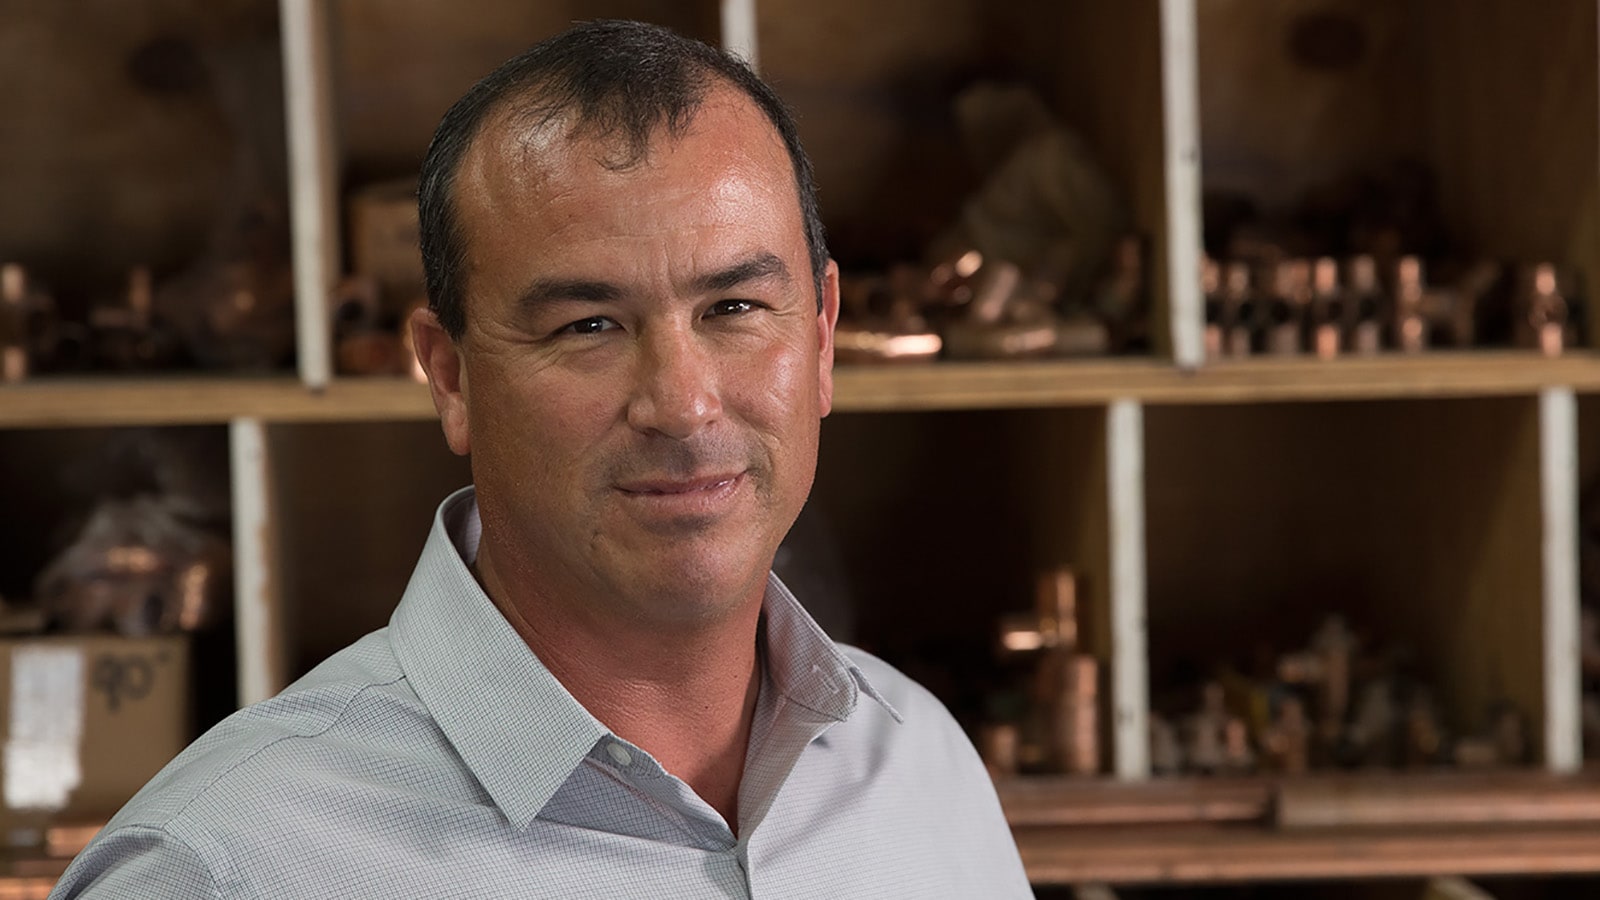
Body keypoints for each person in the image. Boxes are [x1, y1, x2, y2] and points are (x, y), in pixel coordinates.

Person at [51, 20, 1031, 899]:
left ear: (820, 336)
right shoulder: (223, 871)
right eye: (588, 324)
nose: (683, 405)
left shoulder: (917, 765)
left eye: (733, 308)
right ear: (449, 376)